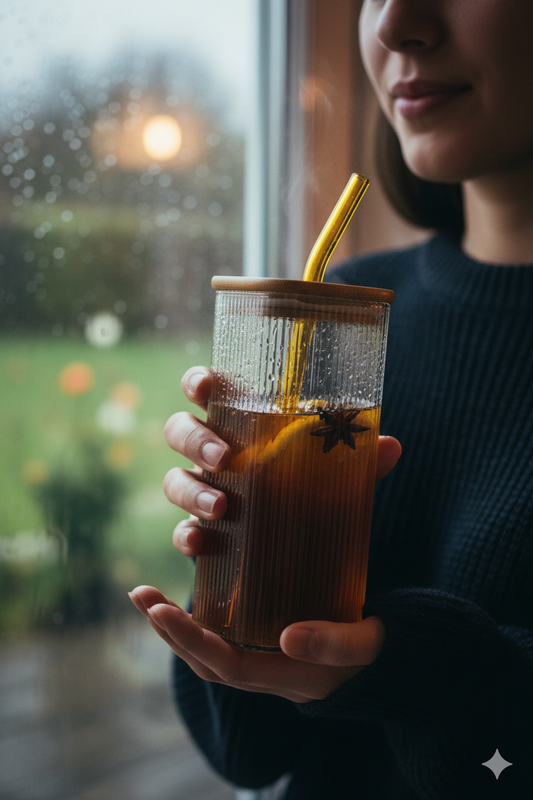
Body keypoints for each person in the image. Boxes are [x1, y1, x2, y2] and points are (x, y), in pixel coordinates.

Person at [129, 0, 533, 796]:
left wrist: (413, 670)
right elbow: (247, 752)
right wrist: (237, 569)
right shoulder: (347, 312)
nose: (393, 25)